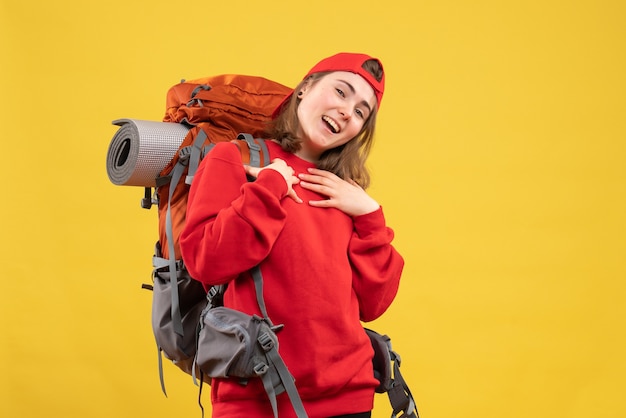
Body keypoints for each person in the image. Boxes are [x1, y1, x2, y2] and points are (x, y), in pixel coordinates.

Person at [179, 52, 404, 418]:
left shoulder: (343, 190)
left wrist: (370, 216)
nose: (348, 112)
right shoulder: (232, 159)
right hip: (255, 398)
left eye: (362, 112)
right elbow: (206, 262)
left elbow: (374, 304)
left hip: (350, 396)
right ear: (305, 88)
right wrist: (269, 188)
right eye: (342, 92)